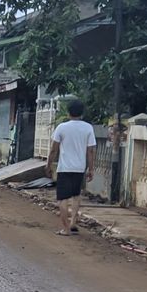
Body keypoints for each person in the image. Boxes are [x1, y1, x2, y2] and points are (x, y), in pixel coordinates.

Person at [45, 99, 95, 236]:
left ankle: (65, 229)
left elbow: (53, 150)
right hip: (80, 168)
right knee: (76, 196)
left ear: (68, 112)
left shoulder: (62, 127)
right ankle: (73, 222)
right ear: (82, 112)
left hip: (64, 168)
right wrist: (91, 169)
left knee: (62, 199)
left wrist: (48, 165)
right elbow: (90, 151)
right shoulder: (88, 128)